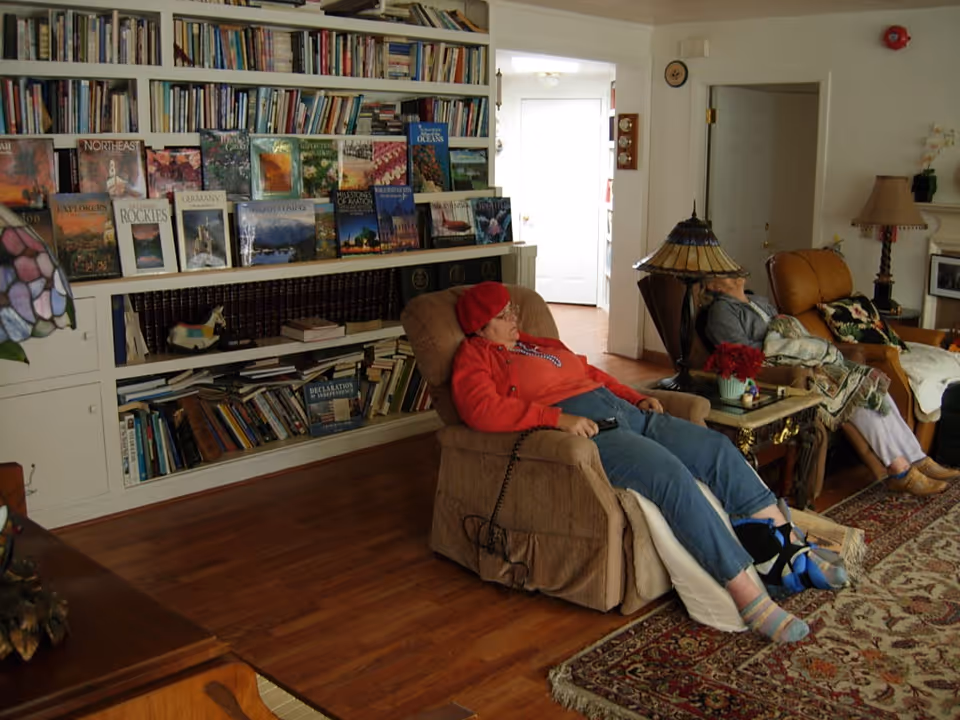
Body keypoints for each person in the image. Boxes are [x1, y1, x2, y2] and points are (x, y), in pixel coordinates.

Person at [451, 282, 846, 644]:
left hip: (624, 411)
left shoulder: (537, 344)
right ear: (480, 327)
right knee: (669, 476)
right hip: (594, 431)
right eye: (503, 315)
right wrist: (555, 419)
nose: (514, 318)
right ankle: (747, 596)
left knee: (717, 449)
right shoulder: (476, 356)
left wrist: (635, 397)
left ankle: (790, 551)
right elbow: (480, 409)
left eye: (512, 310)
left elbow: (589, 373)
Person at [703, 276, 958, 496]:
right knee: (853, 393)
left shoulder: (758, 300)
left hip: (805, 358)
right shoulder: (722, 312)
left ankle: (917, 458)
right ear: (713, 285)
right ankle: (900, 471)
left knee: (869, 383)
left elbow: (791, 328)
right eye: (726, 273)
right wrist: (790, 347)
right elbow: (740, 353)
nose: (736, 271)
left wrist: (801, 343)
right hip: (784, 370)